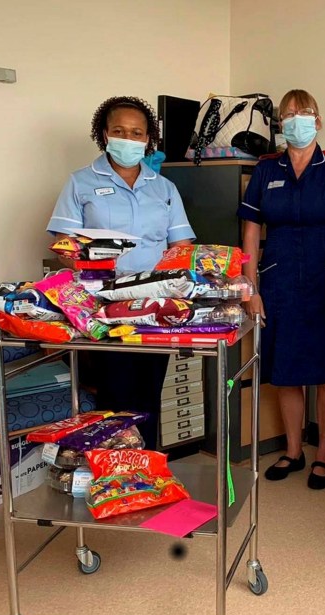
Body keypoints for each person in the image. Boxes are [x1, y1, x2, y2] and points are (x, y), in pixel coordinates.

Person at [47, 96, 196, 448]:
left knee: (149, 392)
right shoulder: (81, 182)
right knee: (114, 394)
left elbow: (183, 246)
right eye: (119, 131)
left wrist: (174, 281)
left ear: (148, 139)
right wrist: (86, 261)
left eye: (137, 133)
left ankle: (148, 469)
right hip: (102, 305)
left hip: (154, 303)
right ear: (104, 134)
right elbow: (63, 243)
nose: (128, 139)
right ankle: (113, 475)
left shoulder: (164, 188)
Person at [238, 89, 325, 490]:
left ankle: (324, 454)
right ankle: (294, 451)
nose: (296, 119)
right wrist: (249, 287)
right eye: (288, 114)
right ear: (279, 123)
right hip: (277, 281)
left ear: (319, 120)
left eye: (304, 112)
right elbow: (251, 232)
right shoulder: (265, 169)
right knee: (286, 371)